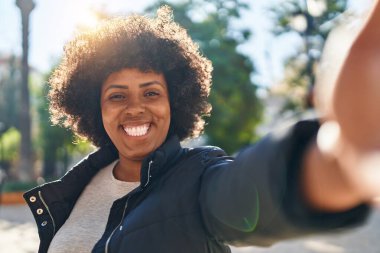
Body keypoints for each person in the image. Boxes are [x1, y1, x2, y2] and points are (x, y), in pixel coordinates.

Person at [24, 2, 380, 253]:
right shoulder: (78, 182)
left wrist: (340, 156)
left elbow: (250, 191)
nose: (135, 108)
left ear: (174, 102)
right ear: (95, 108)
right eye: (117, 96)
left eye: (151, 92)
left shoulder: (199, 178)